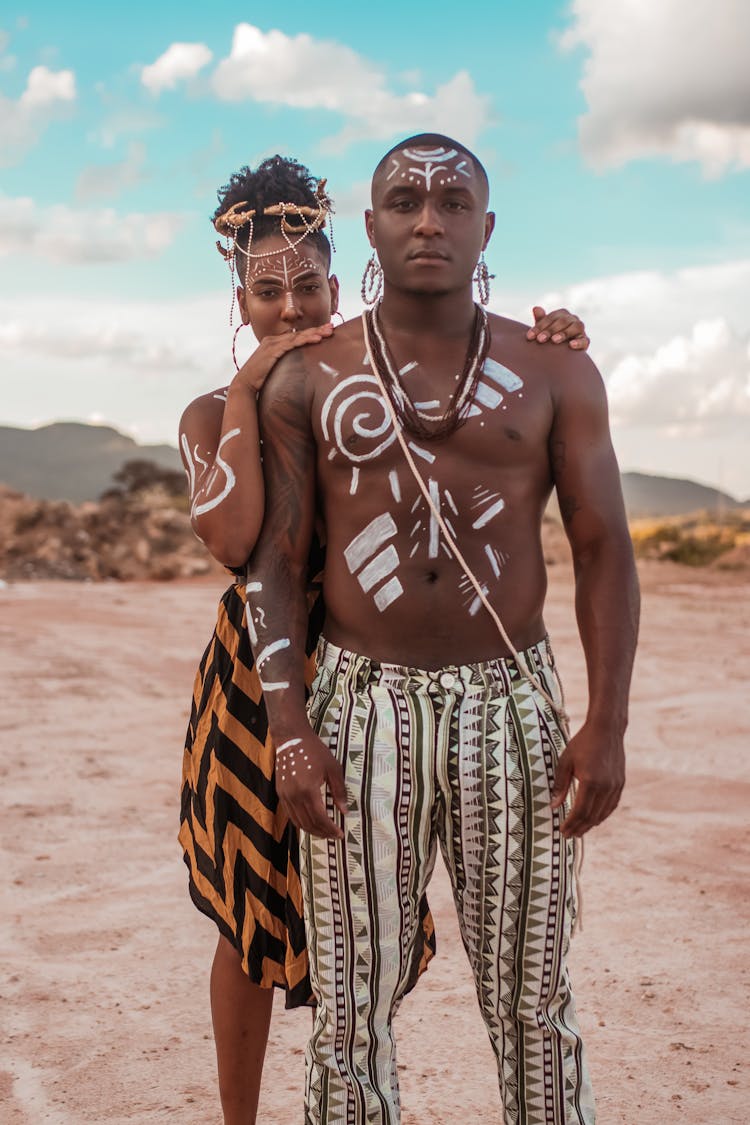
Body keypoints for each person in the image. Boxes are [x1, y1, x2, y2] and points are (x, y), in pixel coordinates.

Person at [178, 154, 595, 1125]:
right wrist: (247, 388)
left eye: (308, 285)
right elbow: (238, 542)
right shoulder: (214, 413)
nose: (290, 308)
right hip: (257, 681)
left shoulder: (360, 373)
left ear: (340, 276)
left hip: (366, 679)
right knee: (248, 922)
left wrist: (552, 339)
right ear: (238, 301)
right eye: (266, 292)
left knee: (361, 934)